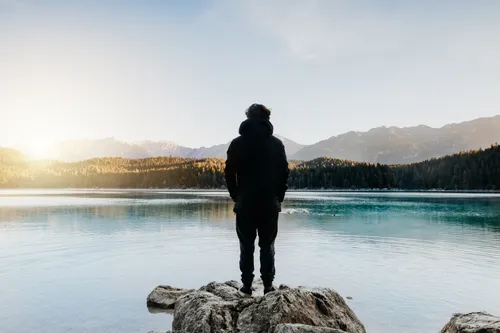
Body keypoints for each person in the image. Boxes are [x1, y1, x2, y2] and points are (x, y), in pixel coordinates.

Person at [224, 103, 289, 295]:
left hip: (245, 203)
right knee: (267, 245)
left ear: (248, 118)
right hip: (269, 203)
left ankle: (246, 286)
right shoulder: (276, 144)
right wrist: (278, 197)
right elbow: (284, 173)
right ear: (267, 119)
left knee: (246, 246)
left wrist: (236, 196)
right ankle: (268, 286)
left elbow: (229, 173)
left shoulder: (237, 143)